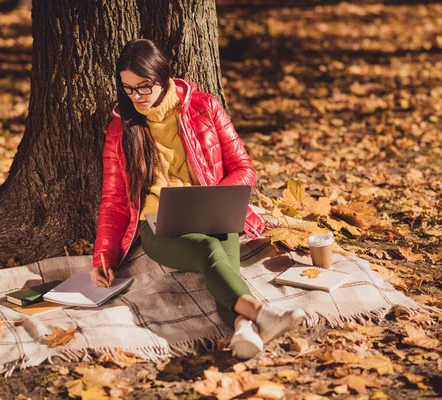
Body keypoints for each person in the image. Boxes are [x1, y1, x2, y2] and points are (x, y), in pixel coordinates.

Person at [90, 39, 305, 359]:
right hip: (158, 223)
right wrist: (103, 256)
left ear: (163, 77)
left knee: (223, 261)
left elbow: (243, 167)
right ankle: (261, 313)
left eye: (144, 87)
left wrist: (216, 197)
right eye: (128, 88)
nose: (136, 97)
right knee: (208, 250)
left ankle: (244, 330)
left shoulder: (205, 107)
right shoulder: (122, 128)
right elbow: (114, 200)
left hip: (212, 209)